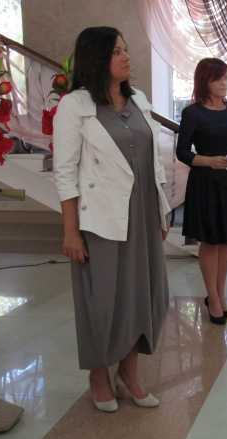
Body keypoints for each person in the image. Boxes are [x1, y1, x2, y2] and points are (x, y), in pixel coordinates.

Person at [53, 26, 171, 412]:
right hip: (100, 219)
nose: (126, 56)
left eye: (125, 49)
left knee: (143, 296)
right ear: (96, 57)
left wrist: (162, 209)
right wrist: (70, 230)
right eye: (116, 51)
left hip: (143, 215)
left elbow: (154, 161)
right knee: (103, 299)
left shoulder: (139, 100)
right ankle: (99, 375)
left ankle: (129, 374)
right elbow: (65, 172)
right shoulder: (75, 106)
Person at [176, 58, 227, 325]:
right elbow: (182, 152)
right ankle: (212, 297)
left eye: (226, 77)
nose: (224, 83)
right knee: (210, 242)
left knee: (225, 242)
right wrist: (209, 161)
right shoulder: (192, 113)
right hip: (205, 183)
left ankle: (219, 295)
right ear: (204, 81)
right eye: (218, 78)